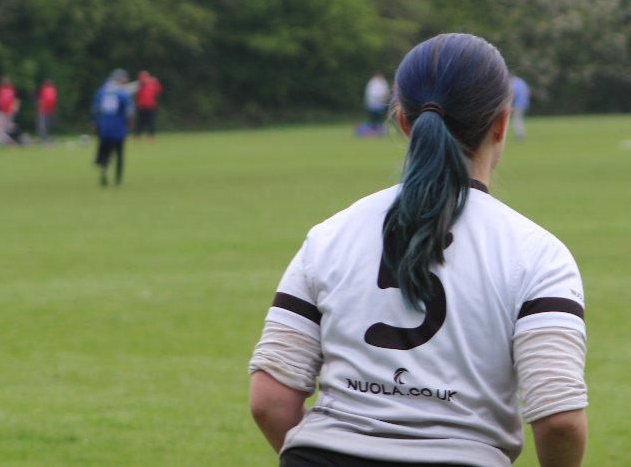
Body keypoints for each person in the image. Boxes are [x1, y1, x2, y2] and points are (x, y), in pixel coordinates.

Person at [248, 33, 588, 467]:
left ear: (403, 121)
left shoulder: (330, 235)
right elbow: (560, 421)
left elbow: (270, 398)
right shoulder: (538, 253)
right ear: (501, 123)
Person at [91, 69, 133, 187]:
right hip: (118, 127)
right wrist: (130, 124)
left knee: (105, 153)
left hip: (104, 126)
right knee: (119, 154)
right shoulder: (122, 92)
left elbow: (95, 108)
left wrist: (94, 123)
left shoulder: (102, 91)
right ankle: (118, 180)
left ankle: (103, 173)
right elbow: (129, 110)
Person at [134, 71, 162, 141]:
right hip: (141, 107)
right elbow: (136, 95)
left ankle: (151, 136)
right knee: (140, 122)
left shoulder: (152, 85)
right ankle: (138, 136)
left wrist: (156, 83)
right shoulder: (138, 86)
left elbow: (159, 91)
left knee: (150, 122)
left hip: (150, 106)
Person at [0, 75, 19, 144]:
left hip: (9, 112)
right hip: (2, 111)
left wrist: (14, 108)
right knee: (0, 127)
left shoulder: (12, 89)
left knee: (8, 128)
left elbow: (15, 100)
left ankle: (8, 141)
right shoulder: (0, 89)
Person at [37, 79, 57, 144]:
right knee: (48, 124)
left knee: (43, 125)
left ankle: (44, 138)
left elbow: (40, 100)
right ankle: (47, 137)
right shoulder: (53, 89)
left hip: (44, 110)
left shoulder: (44, 89)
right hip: (50, 110)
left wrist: (40, 109)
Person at [510, 75, 529, 141]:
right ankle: (520, 134)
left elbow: (512, 95)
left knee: (516, 119)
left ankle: (519, 135)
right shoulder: (521, 82)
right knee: (519, 119)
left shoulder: (513, 84)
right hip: (524, 103)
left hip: (518, 104)